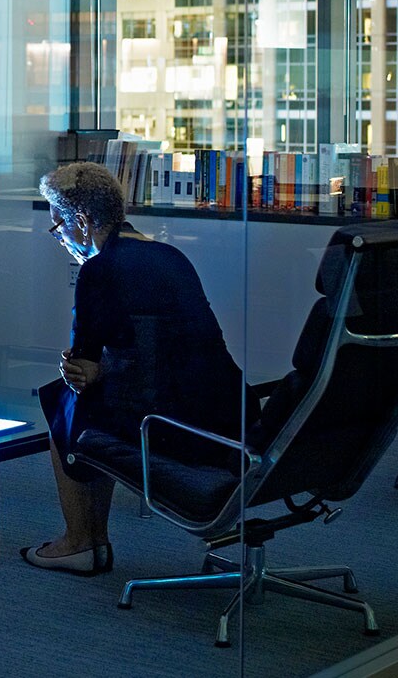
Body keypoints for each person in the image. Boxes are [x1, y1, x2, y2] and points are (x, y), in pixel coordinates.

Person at [22, 161, 252, 575]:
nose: (59, 238)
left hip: (170, 427)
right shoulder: (170, 255)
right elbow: (169, 348)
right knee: (92, 397)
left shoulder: (98, 270)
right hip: (227, 418)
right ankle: (93, 542)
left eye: (59, 227)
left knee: (63, 400)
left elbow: (81, 365)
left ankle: (80, 542)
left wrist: (86, 370)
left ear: (84, 220)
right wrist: (102, 368)